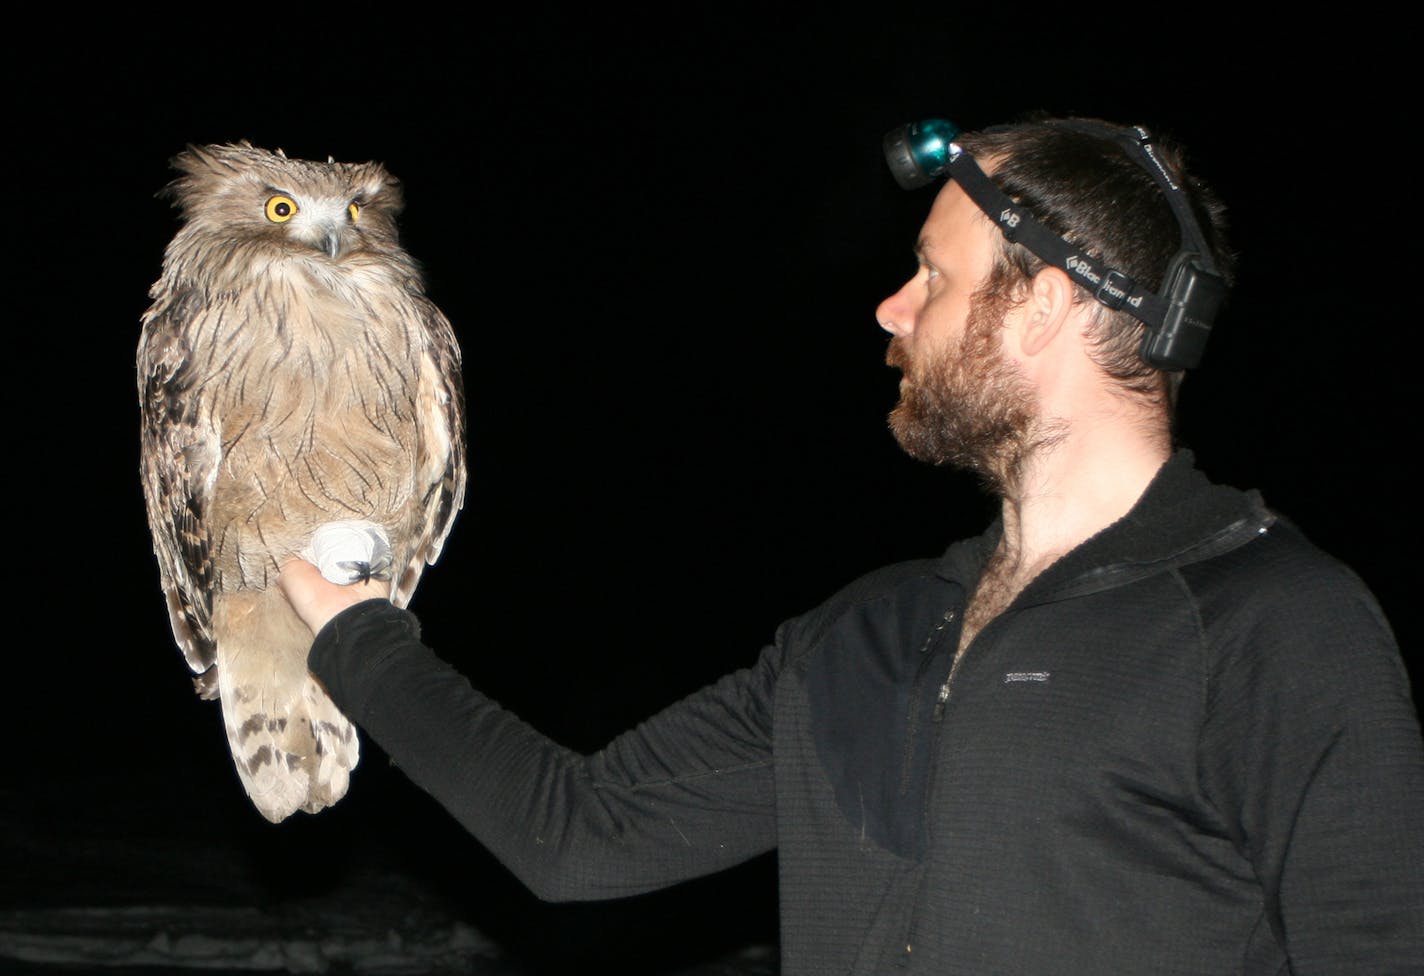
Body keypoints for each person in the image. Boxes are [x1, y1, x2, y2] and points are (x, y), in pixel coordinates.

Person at [277, 117, 1424, 974]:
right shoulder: (866, 634)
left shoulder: (1271, 621)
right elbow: (580, 835)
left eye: (931, 273)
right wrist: (352, 632)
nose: (889, 308)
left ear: (1044, 308)